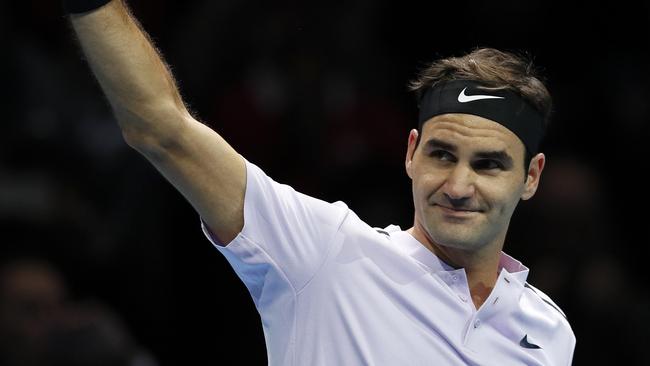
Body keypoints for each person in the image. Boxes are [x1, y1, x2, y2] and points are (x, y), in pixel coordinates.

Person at [66, 0, 576, 364]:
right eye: (442, 155)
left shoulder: (550, 333)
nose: (459, 185)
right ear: (411, 153)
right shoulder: (323, 252)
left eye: (489, 165)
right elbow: (162, 129)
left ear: (531, 177)